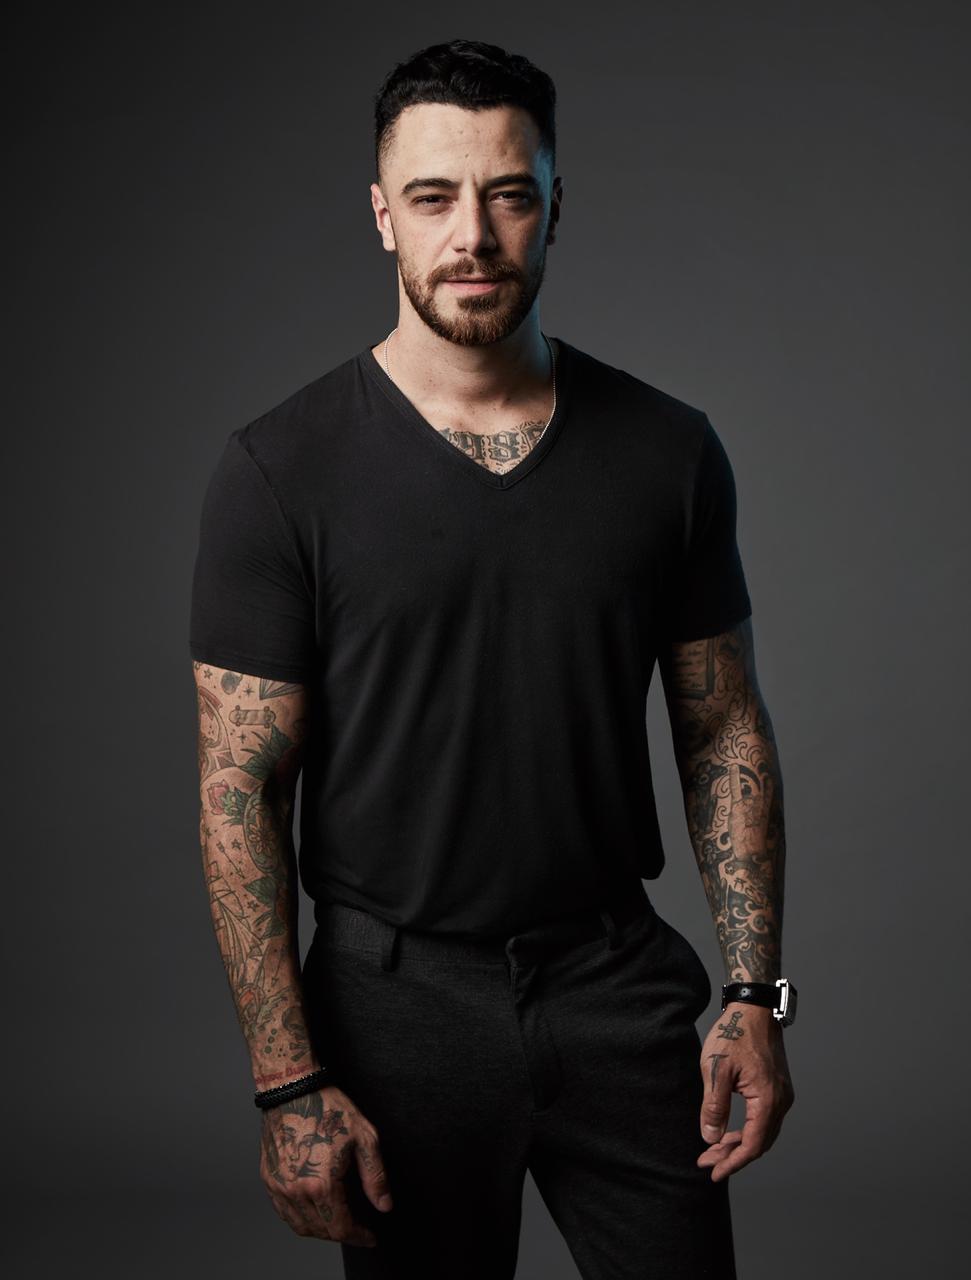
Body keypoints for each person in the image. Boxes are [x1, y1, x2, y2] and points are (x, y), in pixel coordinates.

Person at [189, 37, 795, 1280]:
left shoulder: (666, 451)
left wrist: (753, 992)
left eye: (508, 194)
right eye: (432, 197)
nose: (471, 234)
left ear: (554, 206)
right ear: (381, 216)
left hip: (615, 985)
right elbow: (240, 784)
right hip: (392, 1008)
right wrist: (286, 1080)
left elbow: (720, 726)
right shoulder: (278, 470)